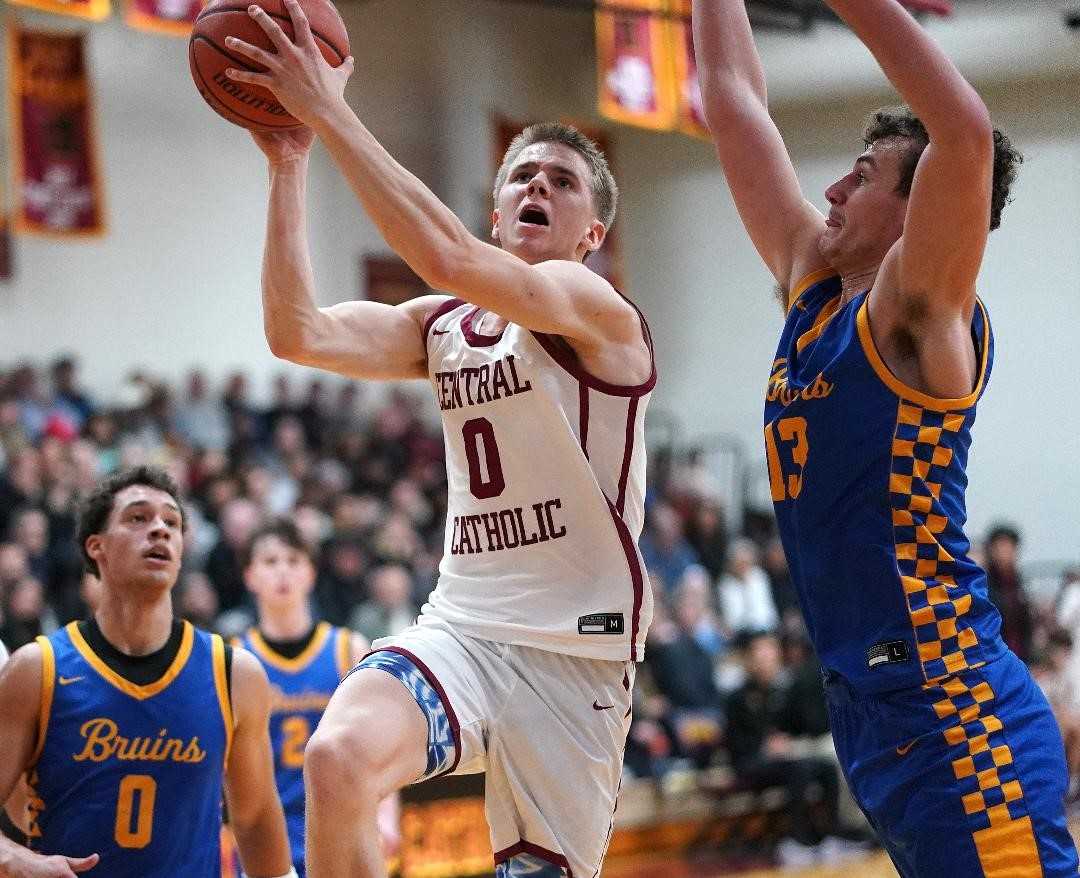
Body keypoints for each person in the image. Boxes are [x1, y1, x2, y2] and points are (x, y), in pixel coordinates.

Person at [225, 5, 655, 875]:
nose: (538, 186)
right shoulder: (445, 326)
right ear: (497, 212)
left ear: (592, 237)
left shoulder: (597, 312)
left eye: (562, 182)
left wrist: (329, 110)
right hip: (462, 626)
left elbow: (449, 257)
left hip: (577, 657)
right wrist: (289, 161)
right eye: (523, 177)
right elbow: (298, 332)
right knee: (336, 757)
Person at [692, 0, 1077, 874]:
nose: (830, 189)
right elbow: (729, 99)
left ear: (920, 211)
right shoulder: (812, 291)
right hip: (869, 711)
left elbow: (964, 133)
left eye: (861, 175)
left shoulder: (922, 306)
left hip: (952, 709)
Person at [0, 466, 293, 877]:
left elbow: (256, 816)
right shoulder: (37, 670)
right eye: (138, 518)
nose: (159, 530)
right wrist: (19, 859)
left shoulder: (233, 673)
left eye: (171, 522)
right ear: (96, 547)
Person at [235, 519, 399, 876]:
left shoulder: (347, 649)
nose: (283, 572)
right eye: (270, 561)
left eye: (293, 561)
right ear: (250, 576)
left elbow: (378, 746)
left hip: (342, 833)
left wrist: (387, 816)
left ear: (310, 574)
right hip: (266, 842)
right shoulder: (236, 660)